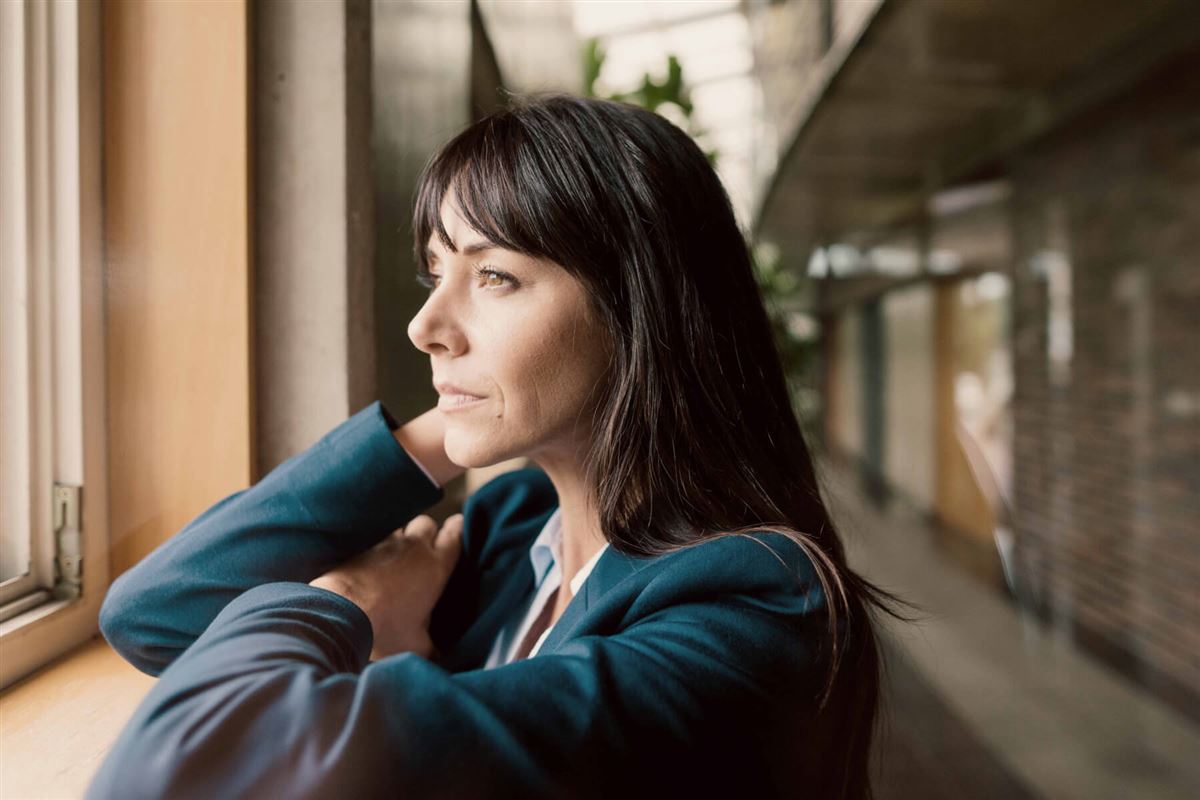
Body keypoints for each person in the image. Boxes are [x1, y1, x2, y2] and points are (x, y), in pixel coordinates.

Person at [88, 93, 910, 800]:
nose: (425, 327)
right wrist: (441, 434)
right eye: (435, 272)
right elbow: (157, 611)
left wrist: (348, 603)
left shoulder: (754, 610)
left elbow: (184, 766)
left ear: (639, 309)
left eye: (494, 277)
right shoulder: (516, 530)